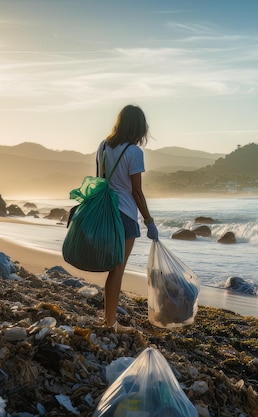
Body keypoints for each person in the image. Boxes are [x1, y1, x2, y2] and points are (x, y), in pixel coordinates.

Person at [98, 104, 158, 333]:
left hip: (105, 212)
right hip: (125, 215)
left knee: (113, 269)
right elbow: (136, 192)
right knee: (117, 270)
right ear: (139, 127)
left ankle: (109, 319)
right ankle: (111, 322)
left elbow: (100, 179)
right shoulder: (134, 152)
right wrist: (149, 221)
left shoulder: (103, 146)